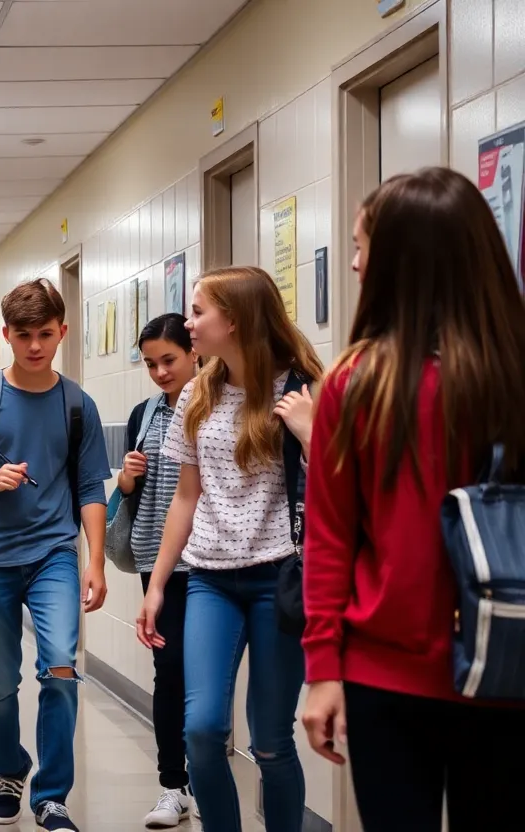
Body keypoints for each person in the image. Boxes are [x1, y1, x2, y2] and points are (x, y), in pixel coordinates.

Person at [301, 168, 525, 832]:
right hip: (502, 662)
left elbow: (330, 538)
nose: (354, 261)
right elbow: (333, 537)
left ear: (402, 259)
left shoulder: (355, 380)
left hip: (389, 676)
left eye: (363, 244)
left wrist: (323, 668)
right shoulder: (504, 374)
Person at [136, 266, 323, 832]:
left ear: (234, 320)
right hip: (211, 579)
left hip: (279, 579)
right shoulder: (197, 392)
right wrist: (157, 583)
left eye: (199, 312)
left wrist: (311, 433)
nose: (189, 323)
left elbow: (344, 489)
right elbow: (185, 499)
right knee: (202, 730)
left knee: (269, 740)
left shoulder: (302, 388)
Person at [0, 278, 111, 832]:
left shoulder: (78, 404)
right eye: (24, 335)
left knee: (59, 668)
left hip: (54, 552)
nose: (35, 346)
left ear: (62, 332)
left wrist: (95, 561)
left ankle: (51, 795)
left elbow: (90, 488)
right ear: (6, 335)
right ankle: (10, 769)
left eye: (46, 335)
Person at [115, 314, 199, 828]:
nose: (160, 372)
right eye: (150, 363)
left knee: (202, 678)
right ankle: (173, 784)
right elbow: (132, 494)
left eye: (169, 360)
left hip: (209, 556)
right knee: (168, 672)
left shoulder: (216, 404)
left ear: (194, 352)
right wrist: (126, 479)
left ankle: (201, 775)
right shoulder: (144, 414)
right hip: (155, 558)